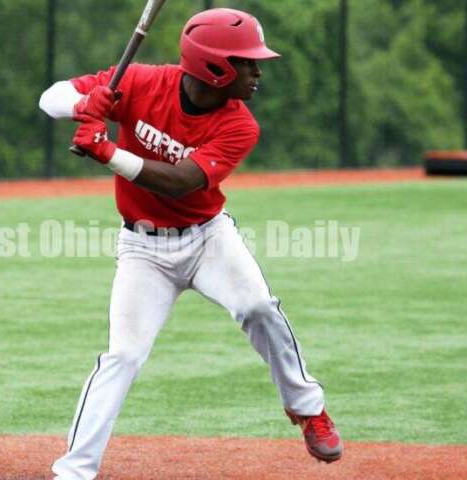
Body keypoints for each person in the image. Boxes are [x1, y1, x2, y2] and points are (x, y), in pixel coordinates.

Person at [39, 8, 342, 480]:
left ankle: (308, 408)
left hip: (208, 239)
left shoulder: (241, 125)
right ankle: (73, 472)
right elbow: (49, 98)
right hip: (143, 249)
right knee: (122, 356)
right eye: (248, 62)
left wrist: (107, 150)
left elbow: (181, 182)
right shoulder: (140, 81)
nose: (258, 72)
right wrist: (84, 106)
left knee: (259, 307)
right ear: (216, 67)